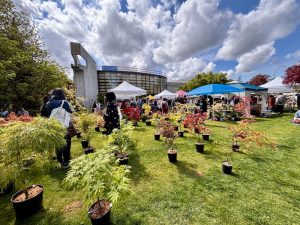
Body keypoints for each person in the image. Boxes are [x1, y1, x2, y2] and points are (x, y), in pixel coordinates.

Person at [45, 88, 73, 168]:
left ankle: (60, 160)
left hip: (54, 126)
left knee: (57, 144)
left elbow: (47, 115)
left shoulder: (48, 103)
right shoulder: (65, 103)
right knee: (66, 143)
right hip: (64, 126)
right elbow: (70, 112)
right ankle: (66, 161)